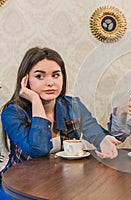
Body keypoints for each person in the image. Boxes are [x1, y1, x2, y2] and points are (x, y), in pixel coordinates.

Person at [0, 47, 121, 199]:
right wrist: (35, 101)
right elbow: (38, 149)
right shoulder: (13, 112)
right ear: (26, 80)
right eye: (40, 76)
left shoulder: (72, 105)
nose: (50, 82)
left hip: (60, 184)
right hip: (20, 188)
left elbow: (95, 132)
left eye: (56, 75)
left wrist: (104, 141)